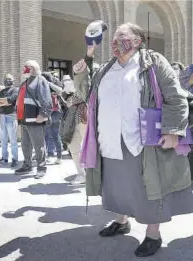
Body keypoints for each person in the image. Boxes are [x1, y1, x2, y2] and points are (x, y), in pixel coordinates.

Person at [73, 22, 193, 257]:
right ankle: (121, 221)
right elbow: (84, 93)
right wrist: (82, 67)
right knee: (116, 186)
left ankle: (153, 234)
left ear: (137, 41)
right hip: (109, 139)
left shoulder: (153, 62)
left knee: (147, 189)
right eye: (114, 37)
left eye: (122, 36)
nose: (116, 40)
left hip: (141, 141)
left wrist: (172, 131)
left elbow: (175, 96)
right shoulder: (107, 68)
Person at [15, 60, 52, 179]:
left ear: (32, 68)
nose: (23, 69)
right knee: (25, 144)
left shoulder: (40, 80)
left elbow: (46, 99)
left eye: (26, 67)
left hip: (35, 119)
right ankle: (27, 165)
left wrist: (44, 114)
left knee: (38, 145)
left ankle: (41, 168)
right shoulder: (26, 82)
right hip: (25, 119)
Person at [61, 75, 87, 185]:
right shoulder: (72, 87)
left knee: (90, 147)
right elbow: (67, 104)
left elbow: (89, 96)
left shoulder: (90, 82)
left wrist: (74, 97)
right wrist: (66, 95)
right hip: (73, 119)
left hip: (86, 119)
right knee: (73, 147)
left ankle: (93, 174)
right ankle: (81, 174)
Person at [0, 74, 19, 168]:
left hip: (11, 116)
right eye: (6, 79)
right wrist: (5, 102)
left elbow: (12, 100)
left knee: (13, 140)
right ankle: (4, 158)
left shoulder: (15, 90)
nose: (7, 80)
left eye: (9, 79)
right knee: (3, 140)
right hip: (2, 116)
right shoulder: (2, 91)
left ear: (13, 80)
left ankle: (15, 159)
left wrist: (3, 101)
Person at [42, 71, 64, 164]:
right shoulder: (57, 84)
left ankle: (50, 155)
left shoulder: (45, 86)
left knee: (48, 135)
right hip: (57, 112)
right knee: (56, 135)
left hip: (50, 113)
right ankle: (59, 157)